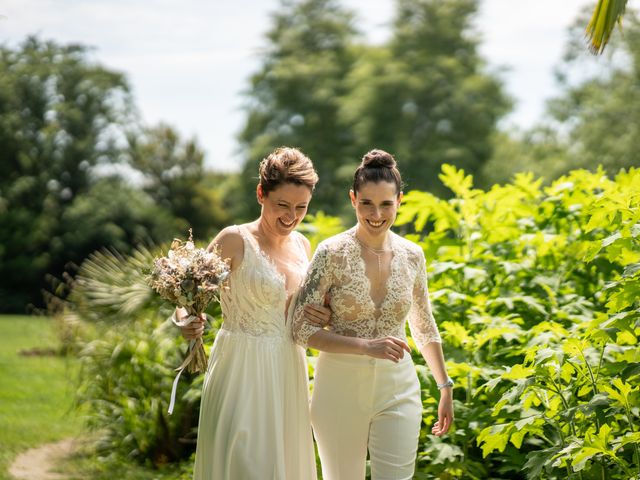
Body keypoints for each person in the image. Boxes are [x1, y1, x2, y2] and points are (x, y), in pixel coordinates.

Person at [292, 149, 454, 480]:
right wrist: (366, 347)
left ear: (399, 201)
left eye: (386, 204)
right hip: (339, 386)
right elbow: (299, 329)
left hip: (399, 388)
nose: (376, 214)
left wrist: (445, 386)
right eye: (367, 203)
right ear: (353, 199)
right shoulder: (331, 253)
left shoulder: (413, 255)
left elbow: (423, 325)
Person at [175, 147, 326, 480]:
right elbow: (187, 295)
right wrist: (186, 319)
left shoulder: (303, 246)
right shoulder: (234, 240)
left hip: (289, 366)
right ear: (261, 194)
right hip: (241, 365)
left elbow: (303, 311)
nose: (291, 216)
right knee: (245, 461)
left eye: (301, 208)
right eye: (282, 205)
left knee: (283, 462)